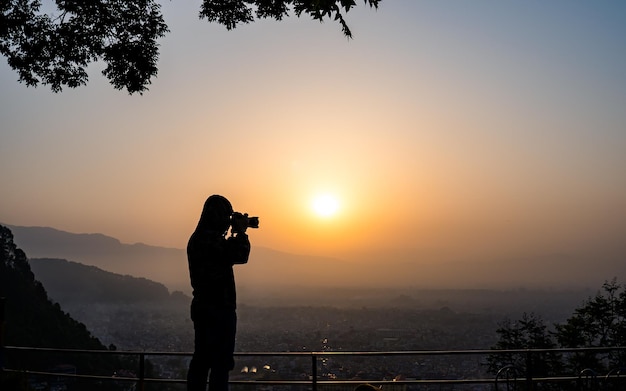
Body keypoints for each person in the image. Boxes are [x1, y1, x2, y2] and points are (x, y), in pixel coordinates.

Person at [186, 195, 254, 391]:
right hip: (219, 309)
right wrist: (240, 232)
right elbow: (240, 255)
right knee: (220, 364)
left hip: (203, 307)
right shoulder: (209, 240)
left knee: (202, 360)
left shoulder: (198, 238)